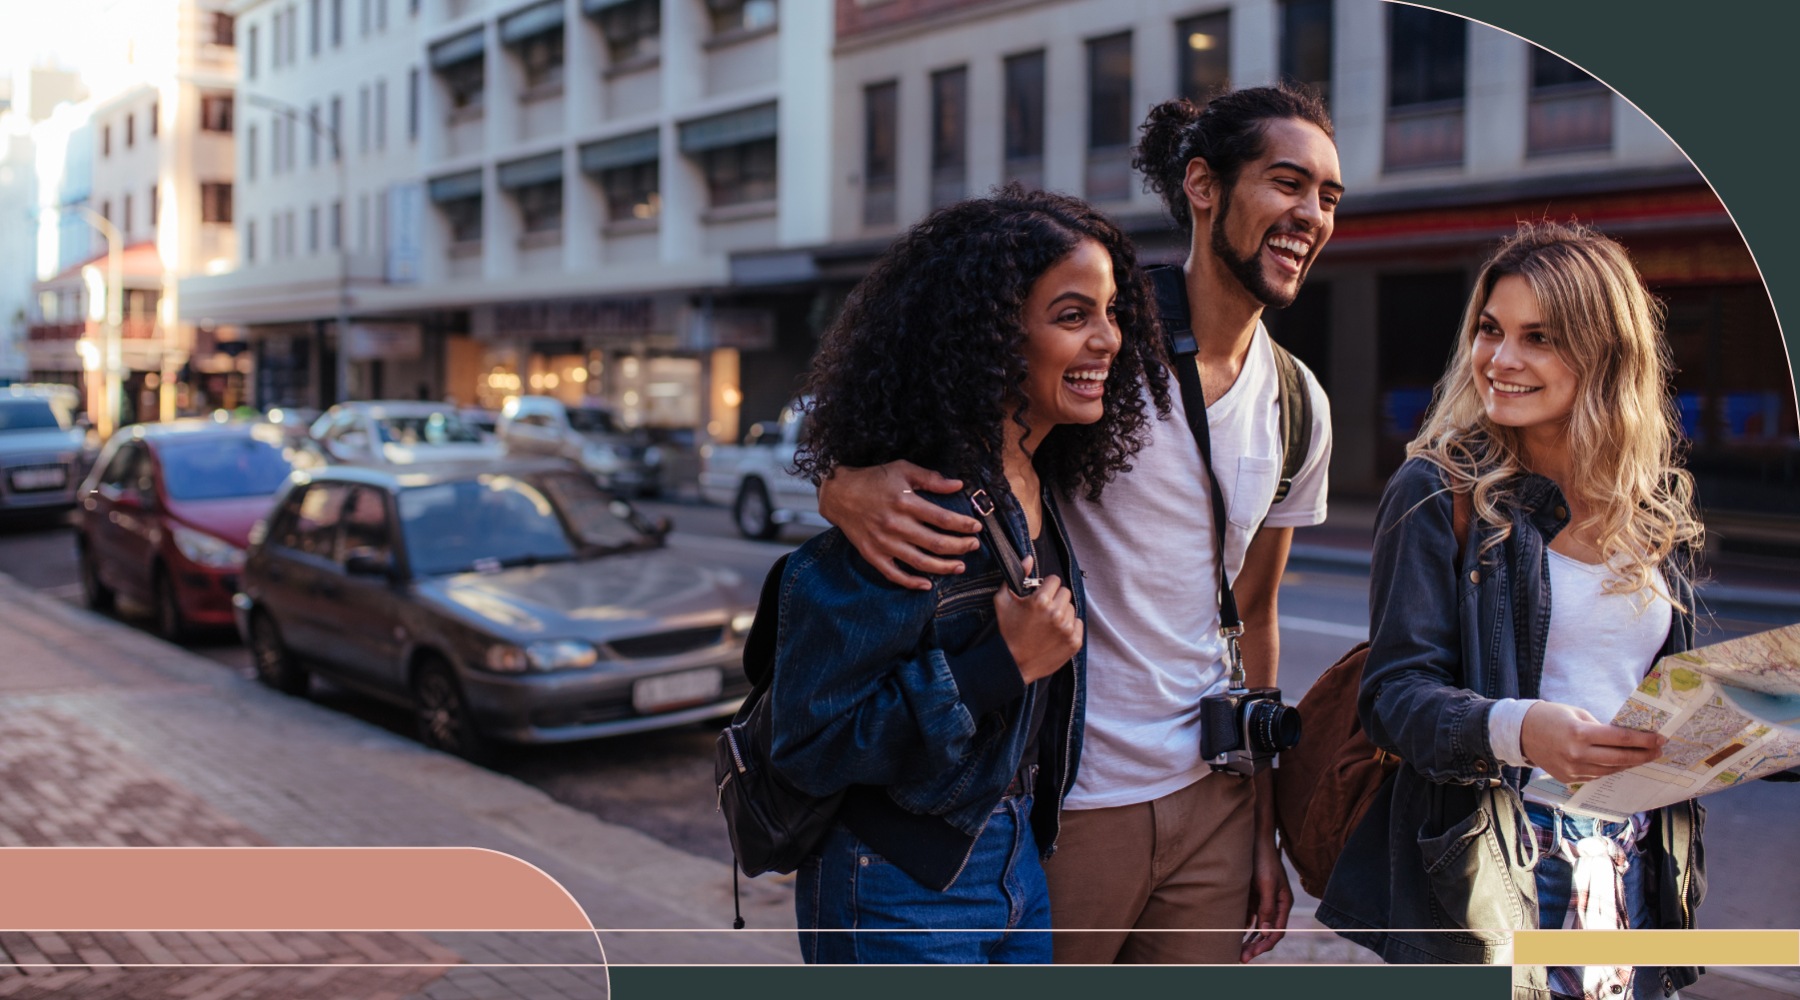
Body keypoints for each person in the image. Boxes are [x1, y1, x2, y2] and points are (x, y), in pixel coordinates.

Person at [816, 85, 1341, 964]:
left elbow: (1255, 614)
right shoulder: (1099, 344)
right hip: (1070, 801)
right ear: (1204, 185)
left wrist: (1261, 826)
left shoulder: (1300, 402)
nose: (1311, 215)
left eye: (1328, 197)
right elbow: (925, 397)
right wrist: (842, 480)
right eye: (1288, 183)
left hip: (1212, 801)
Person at [768, 186, 1170, 964]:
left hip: (1013, 857)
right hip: (900, 876)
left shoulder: (1039, 482)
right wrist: (998, 666)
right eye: (1072, 315)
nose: (1108, 340)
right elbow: (809, 741)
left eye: (1112, 312)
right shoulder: (918, 504)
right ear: (989, 338)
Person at [1316, 222, 1708, 1000]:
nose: (1500, 359)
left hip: (1630, 862)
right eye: (1491, 331)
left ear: (1604, 354)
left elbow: (1660, 698)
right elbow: (1395, 698)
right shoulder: (1439, 490)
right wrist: (1522, 729)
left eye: (1539, 338)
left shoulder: (1653, 507)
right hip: (1502, 858)